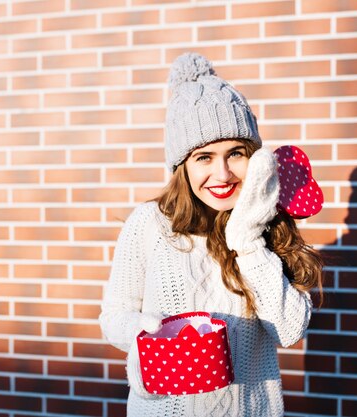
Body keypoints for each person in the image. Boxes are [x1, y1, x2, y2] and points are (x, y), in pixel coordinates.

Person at [99, 53, 324, 417]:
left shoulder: (268, 225)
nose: (222, 173)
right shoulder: (148, 224)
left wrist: (248, 239)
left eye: (235, 153)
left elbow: (290, 330)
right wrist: (142, 336)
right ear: (182, 166)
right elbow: (113, 316)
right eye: (204, 157)